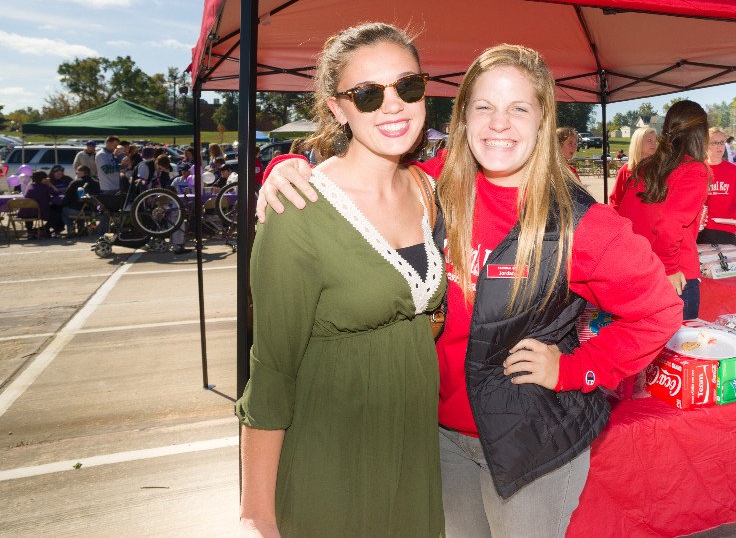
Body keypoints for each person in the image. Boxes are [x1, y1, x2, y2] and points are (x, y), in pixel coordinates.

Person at [258, 43, 681, 538]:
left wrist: (577, 368)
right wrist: (289, 173)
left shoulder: (582, 225)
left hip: (531, 444)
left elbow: (660, 312)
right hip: (437, 437)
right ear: (462, 118)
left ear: (543, 122)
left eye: (518, 108)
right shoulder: (433, 186)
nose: (499, 123)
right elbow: (357, 184)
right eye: (484, 107)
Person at [236, 23, 446, 537]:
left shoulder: (429, 188)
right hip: (331, 461)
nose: (392, 106)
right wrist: (258, 512)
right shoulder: (298, 210)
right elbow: (271, 370)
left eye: (408, 86)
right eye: (368, 94)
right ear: (338, 108)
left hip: (413, 452)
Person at [611, 100, 710, 320]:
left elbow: (625, 218)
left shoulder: (646, 167)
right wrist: (670, 269)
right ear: (701, 133)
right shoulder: (694, 170)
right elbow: (669, 225)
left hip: (640, 271)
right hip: (675, 274)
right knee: (678, 351)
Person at [698, 126, 736, 246]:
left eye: (722, 142)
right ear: (705, 145)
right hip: (700, 231)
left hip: (726, 229)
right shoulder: (698, 169)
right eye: (714, 143)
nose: (719, 146)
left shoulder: (735, 171)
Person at [61, 165, 100, 237]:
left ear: (83, 173)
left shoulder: (75, 183)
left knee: (63, 211)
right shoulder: (97, 183)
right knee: (85, 214)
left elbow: (67, 197)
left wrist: (62, 204)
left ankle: (71, 230)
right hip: (93, 210)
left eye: (77, 173)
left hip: (77, 209)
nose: (76, 174)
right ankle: (84, 229)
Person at [22, 170, 60, 238]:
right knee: (58, 214)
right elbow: (56, 193)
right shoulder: (44, 187)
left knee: (29, 211)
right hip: (40, 211)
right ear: (43, 179)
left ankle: (30, 232)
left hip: (25, 212)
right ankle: (44, 229)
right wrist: (50, 184)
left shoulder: (30, 186)